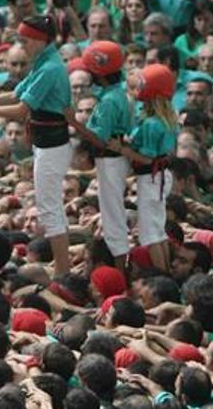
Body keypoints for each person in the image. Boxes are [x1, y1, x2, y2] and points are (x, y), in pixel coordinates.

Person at [0, 15, 74, 275]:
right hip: (46, 145)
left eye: (25, 40)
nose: (22, 45)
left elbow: (22, 108)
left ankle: (62, 270)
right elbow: (15, 93)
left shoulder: (50, 68)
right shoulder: (43, 62)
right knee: (50, 209)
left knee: (49, 210)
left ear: (38, 40)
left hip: (52, 146)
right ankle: (62, 265)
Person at [68, 41, 133, 270]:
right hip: (113, 158)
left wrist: (74, 122)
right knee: (112, 214)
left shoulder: (107, 101)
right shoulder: (116, 92)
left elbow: (99, 139)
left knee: (113, 217)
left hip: (110, 158)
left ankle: (120, 271)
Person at [114, 64, 178, 271]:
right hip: (158, 176)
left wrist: (121, 149)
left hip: (151, 177)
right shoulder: (164, 118)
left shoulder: (152, 123)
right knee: (157, 230)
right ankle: (166, 270)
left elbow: (147, 159)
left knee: (150, 234)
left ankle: (163, 274)